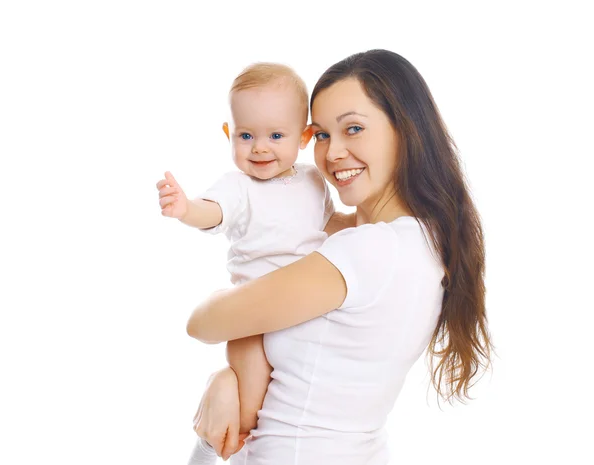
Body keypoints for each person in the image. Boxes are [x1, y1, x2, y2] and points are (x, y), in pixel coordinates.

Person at [186, 49, 493, 465]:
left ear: (405, 130)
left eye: (353, 129)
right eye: (324, 134)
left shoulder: (369, 252)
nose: (332, 154)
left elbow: (203, 323)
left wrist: (224, 381)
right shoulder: (422, 238)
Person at [156, 62, 342, 464]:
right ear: (229, 134)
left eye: (276, 136)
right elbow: (214, 211)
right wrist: (186, 208)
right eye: (246, 135)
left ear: (305, 137)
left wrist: (372, 218)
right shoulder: (238, 186)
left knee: (291, 399)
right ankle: (206, 450)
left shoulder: (313, 181)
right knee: (248, 409)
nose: (260, 147)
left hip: (301, 307)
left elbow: (332, 224)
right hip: (251, 314)